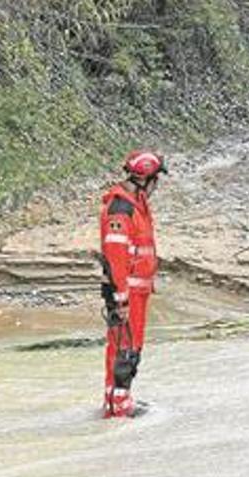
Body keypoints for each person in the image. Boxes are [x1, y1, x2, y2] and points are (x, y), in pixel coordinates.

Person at [99, 150, 167, 418]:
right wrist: (121, 298)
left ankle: (117, 400)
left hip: (137, 291)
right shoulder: (121, 209)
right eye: (156, 180)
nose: (157, 186)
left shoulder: (136, 203)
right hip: (125, 293)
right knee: (123, 348)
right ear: (146, 179)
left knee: (130, 346)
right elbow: (116, 258)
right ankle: (117, 407)